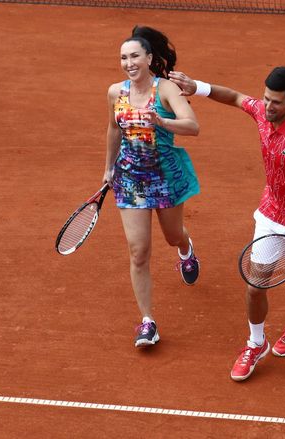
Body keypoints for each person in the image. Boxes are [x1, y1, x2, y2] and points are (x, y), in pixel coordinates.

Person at [169, 67, 285, 381]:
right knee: (256, 286)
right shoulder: (261, 112)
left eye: (276, 103)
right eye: (266, 99)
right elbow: (236, 97)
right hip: (270, 214)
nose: (268, 107)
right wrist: (196, 86)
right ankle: (256, 343)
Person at [103, 26, 201, 348]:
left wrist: (163, 122)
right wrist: (108, 168)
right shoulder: (115, 92)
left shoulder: (167, 90)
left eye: (134, 56)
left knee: (172, 235)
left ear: (148, 58)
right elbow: (113, 130)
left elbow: (193, 125)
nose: (128, 62)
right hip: (130, 179)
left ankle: (185, 249)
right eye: (123, 57)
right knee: (138, 251)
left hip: (166, 176)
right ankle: (148, 322)